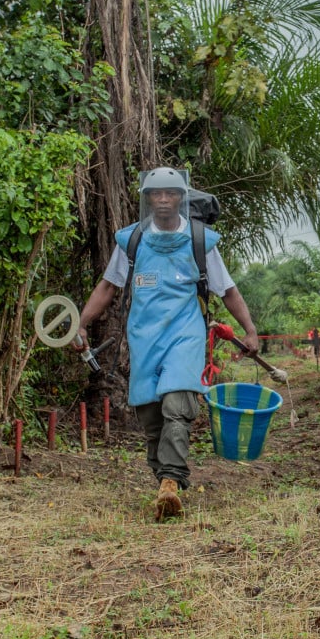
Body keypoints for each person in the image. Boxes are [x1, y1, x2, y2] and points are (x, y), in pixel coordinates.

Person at [75, 166, 258, 521]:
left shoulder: (199, 240)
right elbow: (107, 288)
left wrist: (249, 330)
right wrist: (81, 324)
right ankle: (165, 482)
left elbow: (228, 290)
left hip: (185, 334)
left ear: (181, 197)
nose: (163, 200)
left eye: (170, 193)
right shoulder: (132, 241)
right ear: (146, 199)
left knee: (178, 401)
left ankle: (172, 480)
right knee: (151, 416)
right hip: (144, 339)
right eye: (155, 194)